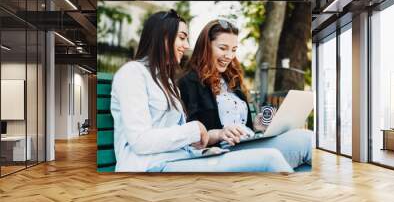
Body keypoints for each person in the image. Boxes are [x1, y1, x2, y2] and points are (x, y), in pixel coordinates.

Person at [111, 10, 293, 172]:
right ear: (163, 37)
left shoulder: (167, 82)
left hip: (182, 157)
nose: (187, 45)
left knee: (302, 140)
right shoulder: (132, 73)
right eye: (182, 37)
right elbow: (141, 141)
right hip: (150, 165)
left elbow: (181, 135)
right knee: (271, 159)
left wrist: (212, 135)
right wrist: (195, 130)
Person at [178, 19, 312, 170]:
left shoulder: (231, 80)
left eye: (234, 49)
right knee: (307, 140)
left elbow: (243, 125)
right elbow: (190, 134)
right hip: (224, 151)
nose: (229, 56)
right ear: (206, 46)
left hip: (248, 143)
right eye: (223, 48)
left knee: (304, 165)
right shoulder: (189, 82)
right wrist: (219, 133)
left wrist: (258, 126)